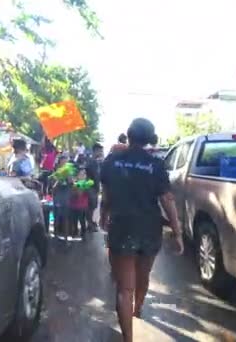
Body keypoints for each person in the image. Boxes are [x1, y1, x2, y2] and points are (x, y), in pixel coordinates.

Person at [100, 118, 184, 342]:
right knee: (143, 275)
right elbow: (167, 199)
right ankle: (138, 309)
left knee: (123, 288)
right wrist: (177, 232)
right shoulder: (155, 165)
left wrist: (103, 216)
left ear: (128, 135)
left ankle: (128, 338)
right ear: (149, 138)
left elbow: (106, 196)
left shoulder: (111, 162)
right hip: (149, 229)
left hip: (121, 226)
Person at [86, 143, 104, 231]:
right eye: (99, 151)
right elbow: (91, 175)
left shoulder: (95, 162)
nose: (101, 153)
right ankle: (89, 224)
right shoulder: (91, 161)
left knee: (93, 206)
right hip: (91, 187)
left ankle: (90, 222)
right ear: (95, 151)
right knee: (91, 206)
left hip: (94, 187)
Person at [69, 168, 92, 240]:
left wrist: (83, 188)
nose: (83, 176)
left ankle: (83, 233)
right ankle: (75, 232)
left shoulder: (87, 184)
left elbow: (89, 194)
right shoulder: (74, 184)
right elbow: (72, 195)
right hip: (74, 205)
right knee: (74, 220)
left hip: (83, 206)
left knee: (82, 221)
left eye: (84, 174)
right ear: (77, 176)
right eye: (81, 174)